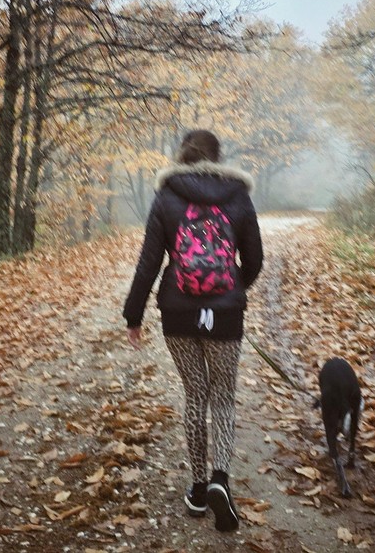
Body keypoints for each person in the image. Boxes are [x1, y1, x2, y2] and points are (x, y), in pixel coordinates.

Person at [123, 129, 263, 532]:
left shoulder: (166, 196)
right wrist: (233, 287)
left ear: (181, 156)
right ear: (218, 158)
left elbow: (149, 261)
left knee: (195, 394)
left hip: (178, 314)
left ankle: (199, 489)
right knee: (223, 396)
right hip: (226, 316)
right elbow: (254, 258)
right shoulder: (238, 195)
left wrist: (134, 315)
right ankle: (221, 477)